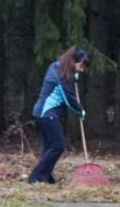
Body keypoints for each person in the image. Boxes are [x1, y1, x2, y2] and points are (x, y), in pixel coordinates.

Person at [28, 46, 90, 184]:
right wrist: (80, 111)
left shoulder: (58, 68)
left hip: (43, 112)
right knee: (58, 146)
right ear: (73, 61)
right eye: (81, 66)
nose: (82, 69)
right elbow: (69, 98)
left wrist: (74, 76)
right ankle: (36, 177)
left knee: (49, 146)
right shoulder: (62, 75)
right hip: (47, 112)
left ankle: (46, 177)